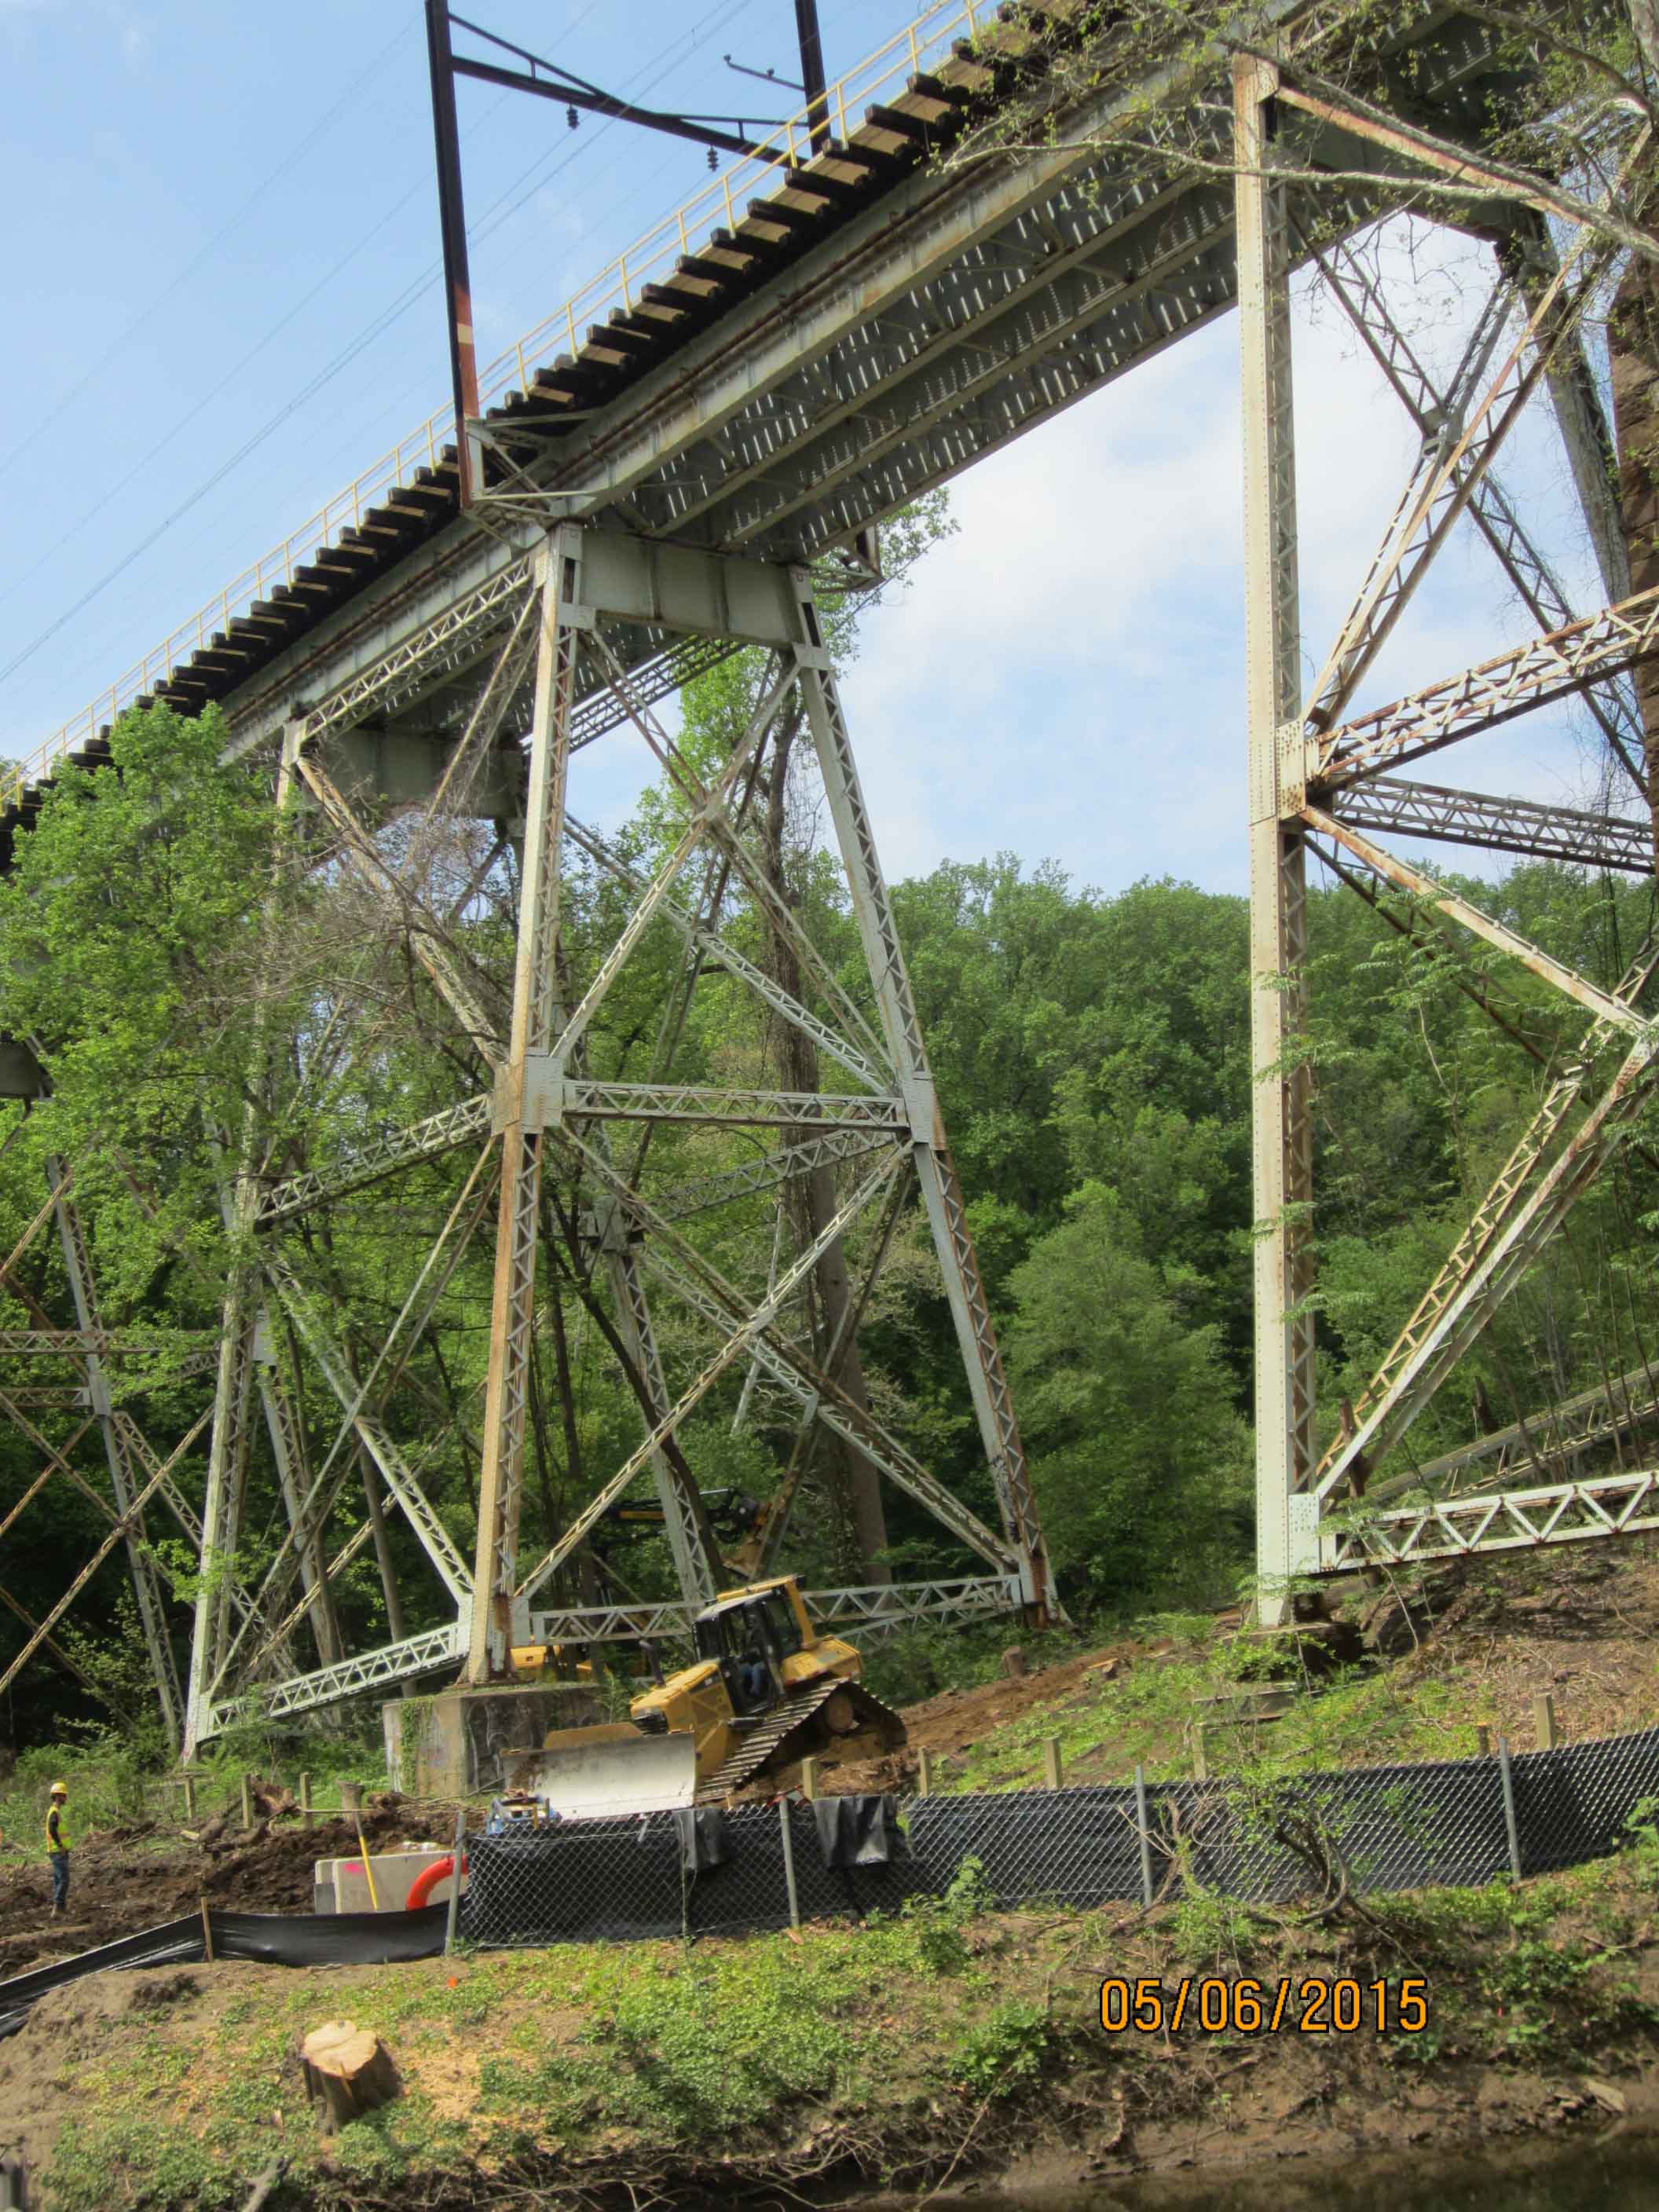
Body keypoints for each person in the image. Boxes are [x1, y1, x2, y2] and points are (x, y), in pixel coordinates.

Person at [46, 1781, 69, 1918]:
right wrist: (60, 1846)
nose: (65, 1798)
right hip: (57, 1851)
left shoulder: (55, 1812)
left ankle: (61, 1908)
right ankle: (58, 1909)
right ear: (58, 1796)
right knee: (64, 1879)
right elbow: (52, 1829)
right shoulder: (54, 1812)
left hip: (58, 1851)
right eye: (64, 1796)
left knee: (58, 1879)